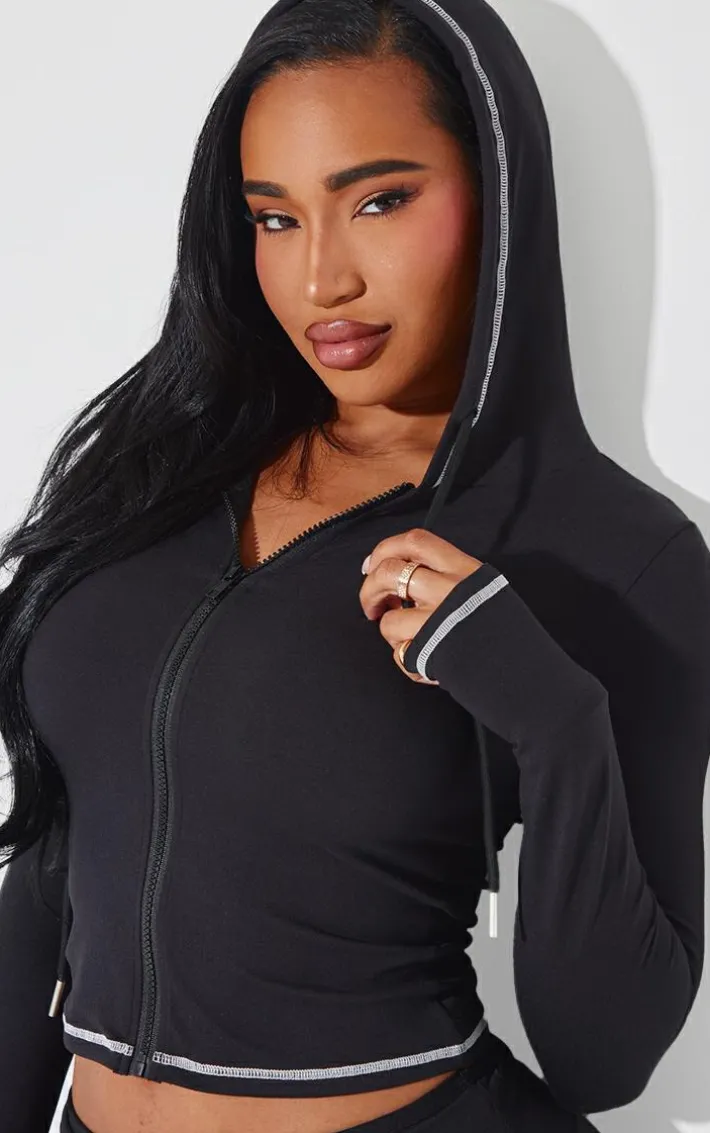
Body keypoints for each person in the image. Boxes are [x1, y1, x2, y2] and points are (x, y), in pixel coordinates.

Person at [1, 0, 708, 1130]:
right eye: (274, 218)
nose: (320, 279)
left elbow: (605, 1058)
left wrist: (557, 722)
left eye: (379, 200)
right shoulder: (156, 478)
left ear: (497, 194)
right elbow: (55, 862)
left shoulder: (619, 551)